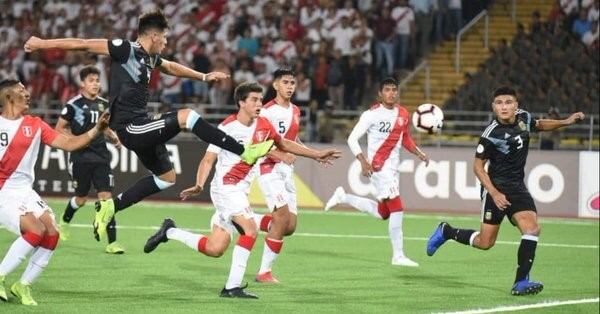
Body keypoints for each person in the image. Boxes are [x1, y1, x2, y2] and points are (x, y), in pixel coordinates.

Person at [23, 10, 274, 242]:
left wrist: (204, 76)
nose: (166, 42)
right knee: (187, 116)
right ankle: (243, 151)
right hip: (130, 127)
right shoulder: (124, 49)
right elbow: (83, 43)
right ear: (153, 35)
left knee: (167, 178)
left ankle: (111, 206)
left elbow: (171, 67)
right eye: (164, 37)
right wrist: (41, 43)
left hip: (141, 126)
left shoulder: (151, 58)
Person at [142, 82, 340, 299]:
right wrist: (200, 184)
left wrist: (316, 154)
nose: (259, 104)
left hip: (239, 193)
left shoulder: (264, 124)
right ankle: (231, 287)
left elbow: (283, 143)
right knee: (250, 230)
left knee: (214, 248)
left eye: (260, 99)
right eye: (254, 100)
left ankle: (169, 231)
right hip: (226, 190)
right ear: (241, 103)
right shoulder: (227, 128)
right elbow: (208, 159)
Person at [426, 86, 585, 296]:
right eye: (499, 103)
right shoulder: (490, 135)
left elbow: (538, 125)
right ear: (493, 107)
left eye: (508, 102)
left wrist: (566, 121)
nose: (504, 107)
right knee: (485, 243)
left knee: (532, 229)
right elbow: (477, 167)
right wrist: (494, 193)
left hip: (517, 188)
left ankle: (520, 282)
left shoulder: (523, 118)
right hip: (495, 188)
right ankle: (446, 231)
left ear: (516, 105)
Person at [0, 79, 109, 305]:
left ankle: (23, 285)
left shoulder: (36, 124)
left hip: (24, 191)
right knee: (35, 230)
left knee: (52, 232)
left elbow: (69, 144)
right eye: (22, 90)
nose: (28, 94)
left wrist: (97, 129)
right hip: (3, 191)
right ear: (8, 97)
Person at [324, 77, 429, 267]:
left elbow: (405, 139)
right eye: (387, 90)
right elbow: (352, 139)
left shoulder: (403, 114)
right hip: (378, 167)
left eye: (394, 89)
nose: (391, 93)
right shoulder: (371, 115)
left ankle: (343, 197)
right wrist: (363, 161)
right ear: (380, 94)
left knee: (383, 213)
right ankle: (398, 256)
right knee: (397, 207)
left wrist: (419, 153)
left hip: (392, 168)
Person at [54, 66, 125, 254]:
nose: (96, 84)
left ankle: (112, 243)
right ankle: (64, 221)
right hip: (80, 157)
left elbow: (104, 126)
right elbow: (60, 127)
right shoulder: (73, 105)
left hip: (101, 156)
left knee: (106, 199)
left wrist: (114, 137)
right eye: (91, 80)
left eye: (97, 80)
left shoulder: (104, 104)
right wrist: (75, 141)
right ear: (82, 83)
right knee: (81, 199)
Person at [253, 68, 302, 283]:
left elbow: (292, 141)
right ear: (275, 85)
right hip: (268, 167)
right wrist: (281, 155)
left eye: (292, 82)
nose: (290, 86)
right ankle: (264, 272)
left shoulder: (297, 111)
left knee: (289, 226)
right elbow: (257, 143)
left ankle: (244, 219)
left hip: (286, 171)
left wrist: (315, 155)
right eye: (285, 82)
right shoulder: (266, 112)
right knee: (281, 218)